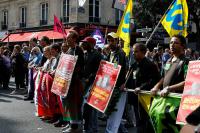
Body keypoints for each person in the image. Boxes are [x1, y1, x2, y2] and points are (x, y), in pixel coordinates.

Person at [126, 43, 160, 133]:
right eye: (133, 51)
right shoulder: (134, 65)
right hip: (136, 99)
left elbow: (155, 80)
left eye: (136, 51)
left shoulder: (150, 65)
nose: (133, 53)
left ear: (144, 52)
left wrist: (141, 88)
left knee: (146, 122)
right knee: (138, 121)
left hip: (146, 99)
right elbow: (130, 78)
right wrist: (124, 85)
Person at [62, 30, 84, 133]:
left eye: (69, 37)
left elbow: (79, 67)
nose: (67, 39)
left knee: (74, 104)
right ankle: (70, 123)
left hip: (74, 82)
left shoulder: (78, 50)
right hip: (67, 81)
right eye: (67, 37)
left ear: (75, 39)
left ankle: (76, 126)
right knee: (68, 103)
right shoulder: (69, 50)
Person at [104, 32, 127, 133]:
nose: (110, 42)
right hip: (111, 86)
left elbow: (119, 70)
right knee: (112, 112)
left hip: (118, 87)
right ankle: (117, 130)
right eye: (109, 40)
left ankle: (112, 131)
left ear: (117, 41)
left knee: (115, 111)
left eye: (112, 40)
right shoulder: (111, 53)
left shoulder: (120, 54)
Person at [80, 36, 102, 133]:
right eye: (83, 43)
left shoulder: (97, 55)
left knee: (89, 106)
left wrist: (91, 76)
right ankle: (92, 128)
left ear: (92, 44)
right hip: (85, 83)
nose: (83, 44)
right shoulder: (84, 54)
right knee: (90, 107)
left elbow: (100, 70)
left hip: (94, 83)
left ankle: (91, 128)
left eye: (86, 43)